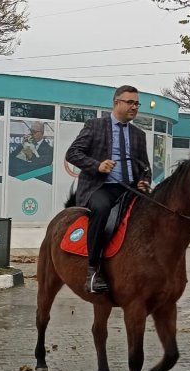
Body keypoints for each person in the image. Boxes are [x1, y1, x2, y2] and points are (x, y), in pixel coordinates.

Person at [66, 85, 151, 294]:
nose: (134, 107)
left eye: (137, 103)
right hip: (100, 187)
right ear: (116, 103)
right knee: (102, 209)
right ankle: (93, 271)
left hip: (130, 189)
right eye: (130, 102)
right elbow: (73, 153)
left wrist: (143, 180)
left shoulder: (139, 135)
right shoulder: (95, 126)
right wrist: (97, 165)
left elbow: (145, 166)